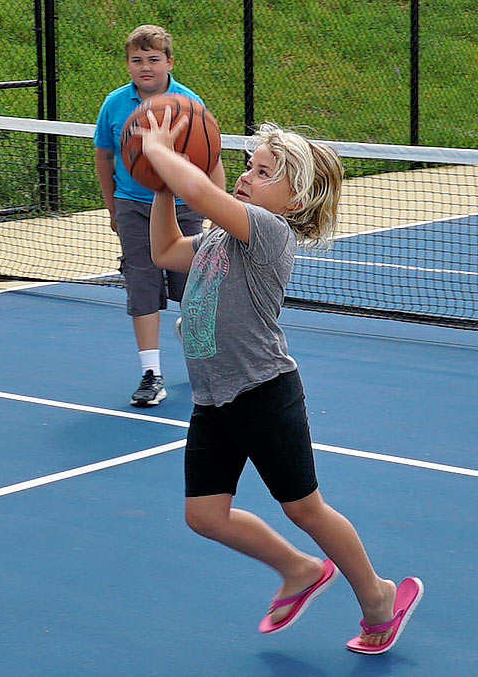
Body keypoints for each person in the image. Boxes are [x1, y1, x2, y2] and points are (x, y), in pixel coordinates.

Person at [143, 109, 423, 655]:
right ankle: (297, 568)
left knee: (304, 507)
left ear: (294, 201)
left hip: (264, 392)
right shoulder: (218, 241)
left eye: (264, 172)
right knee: (204, 516)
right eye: (248, 165)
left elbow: (200, 191)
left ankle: (378, 597)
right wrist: (159, 189)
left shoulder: (268, 234)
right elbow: (164, 251)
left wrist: (160, 152)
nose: (246, 175)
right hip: (213, 400)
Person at [94, 24, 225, 407]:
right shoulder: (115, 105)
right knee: (141, 282)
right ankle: (151, 373)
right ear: (128, 64)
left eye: (153, 59)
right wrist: (112, 205)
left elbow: (210, 158)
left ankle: (205, 362)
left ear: (169, 62)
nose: (145, 67)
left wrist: (217, 210)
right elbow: (104, 156)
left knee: (193, 289)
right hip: (134, 208)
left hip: (183, 208)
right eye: (137, 60)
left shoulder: (189, 104)